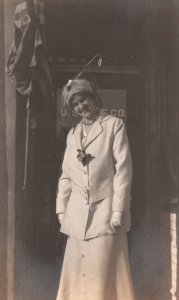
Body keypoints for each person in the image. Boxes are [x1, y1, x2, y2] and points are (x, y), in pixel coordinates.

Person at [56, 79, 135, 300]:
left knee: (102, 276)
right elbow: (66, 175)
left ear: (93, 98)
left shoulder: (113, 125)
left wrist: (118, 210)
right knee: (76, 276)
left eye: (84, 100)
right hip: (76, 216)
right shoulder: (72, 134)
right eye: (76, 105)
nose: (81, 107)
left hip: (106, 214)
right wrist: (62, 210)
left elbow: (124, 170)